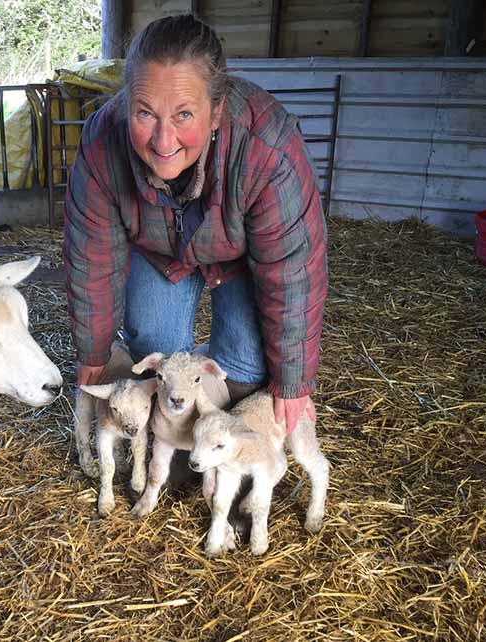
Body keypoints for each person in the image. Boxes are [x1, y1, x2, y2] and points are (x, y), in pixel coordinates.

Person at [63, 14, 327, 435]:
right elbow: (91, 259)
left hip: (241, 256)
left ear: (217, 110)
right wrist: (93, 355)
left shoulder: (266, 148)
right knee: (156, 357)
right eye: (145, 113)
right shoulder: (102, 145)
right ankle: (175, 439)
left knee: (244, 369)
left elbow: (292, 272)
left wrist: (293, 382)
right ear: (127, 103)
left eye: (184, 115)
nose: (163, 142)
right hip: (157, 252)